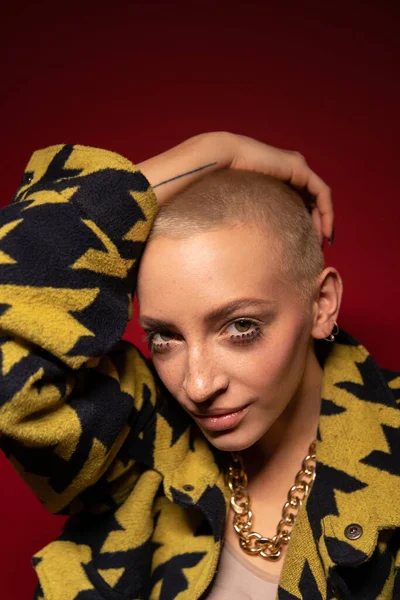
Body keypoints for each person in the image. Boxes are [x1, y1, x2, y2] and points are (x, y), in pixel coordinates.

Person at [0, 132, 398, 600]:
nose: (198, 384)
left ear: (322, 304)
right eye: (164, 337)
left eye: (240, 326)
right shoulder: (139, 445)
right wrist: (214, 150)